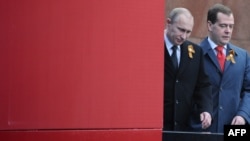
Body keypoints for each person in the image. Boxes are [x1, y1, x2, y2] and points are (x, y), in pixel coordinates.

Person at [192, 3, 250, 133]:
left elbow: (248, 90)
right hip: (202, 128)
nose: (228, 30)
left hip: (234, 128)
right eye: (223, 26)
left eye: (231, 26)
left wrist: (243, 114)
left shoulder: (242, 56)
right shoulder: (195, 54)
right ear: (210, 25)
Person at [163, 7, 213, 131]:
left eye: (188, 32)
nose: (184, 36)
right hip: (156, 126)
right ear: (168, 23)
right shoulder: (151, 46)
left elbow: (203, 85)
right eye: (181, 30)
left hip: (184, 127)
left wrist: (205, 109)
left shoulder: (195, 51)